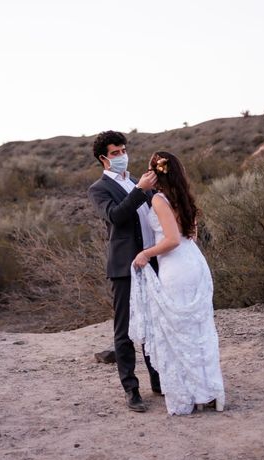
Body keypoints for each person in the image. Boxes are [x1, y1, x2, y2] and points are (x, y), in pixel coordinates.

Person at [129, 151, 225, 415]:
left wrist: (145, 254)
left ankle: (191, 394)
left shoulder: (160, 200)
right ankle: (206, 391)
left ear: (155, 171)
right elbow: (189, 235)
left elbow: (171, 240)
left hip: (176, 267)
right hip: (193, 261)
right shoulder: (183, 197)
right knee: (198, 330)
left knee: (180, 333)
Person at [87, 131, 161, 413]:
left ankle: (158, 380)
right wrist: (141, 190)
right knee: (126, 330)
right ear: (103, 158)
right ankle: (131, 390)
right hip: (124, 267)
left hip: (151, 264)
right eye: (115, 153)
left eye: (123, 150)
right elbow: (116, 217)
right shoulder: (99, 189)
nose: (121, 156)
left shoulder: (135, 182)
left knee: (153, 325)